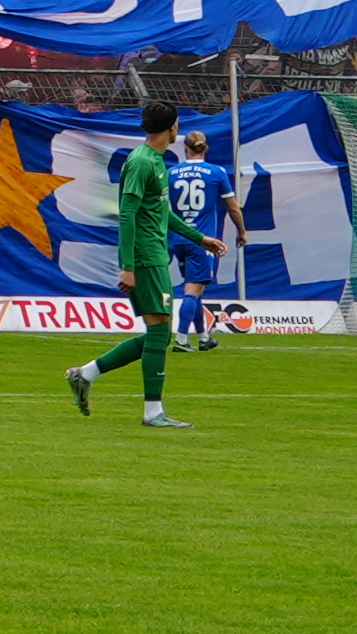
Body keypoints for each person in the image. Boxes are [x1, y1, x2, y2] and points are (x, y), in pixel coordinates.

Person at [68, 106, 218, 427]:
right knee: (160, 331)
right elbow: (127, 214)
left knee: (159, 333)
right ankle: (152, 412)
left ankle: (86, 374)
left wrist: (200, 238)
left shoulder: (156, 161)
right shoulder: (141, 162)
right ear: (171, 127)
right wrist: (128, 266)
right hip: (145, 257)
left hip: (154, 254)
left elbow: (161, 211)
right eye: (177, 123)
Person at [166, 119, 238, 359]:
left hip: (178, 238)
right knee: (192, 290)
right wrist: (242, 231)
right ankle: (182, 339)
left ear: (185, 148)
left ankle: (204, 337)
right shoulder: (216, 172)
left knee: (195, 289)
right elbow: (233, 207)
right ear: (205, 148)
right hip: (202, 239)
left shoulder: (171, 173)